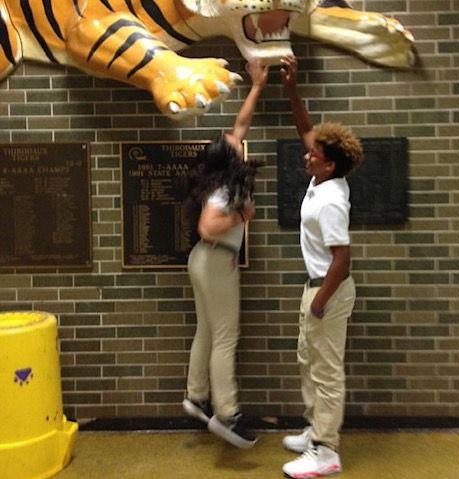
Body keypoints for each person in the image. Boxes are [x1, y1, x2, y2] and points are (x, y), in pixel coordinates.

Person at [279, 55, 364, 477]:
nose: (307, 154)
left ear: (329, 164)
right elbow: (305, 128)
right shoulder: (323, 178)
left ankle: (326, 451)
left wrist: (320, 303)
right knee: (307, 361)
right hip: (316, 287)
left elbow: (342, 259)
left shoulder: (331, 201)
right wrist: (292, 88)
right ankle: (315, 429)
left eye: (314, 154)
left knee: (327, 372)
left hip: (327, 290)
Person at [182, 58, 269, 449]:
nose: (236, 137)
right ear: (232, 159)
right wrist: (241, 218)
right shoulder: (226, 192)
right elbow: (207, 226)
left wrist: (257, 86)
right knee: (225, 338)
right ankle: (227, 414)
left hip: (204, 259)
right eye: (233, 143)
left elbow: (241, 124)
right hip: (216, 259)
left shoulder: (222, 178)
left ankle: (196, 395)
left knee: (207, 330)